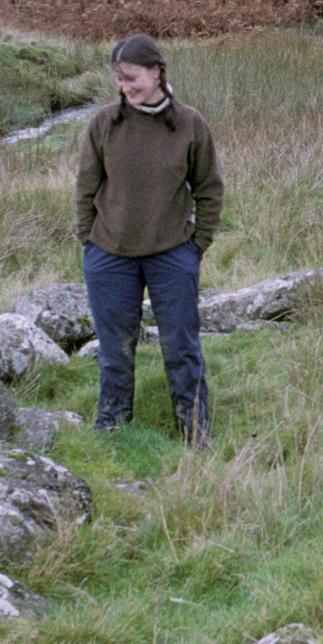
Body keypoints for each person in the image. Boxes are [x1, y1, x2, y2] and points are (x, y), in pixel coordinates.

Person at [74, 33, 224, 444]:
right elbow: (86, 187)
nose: (124, 87)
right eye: (119, 79)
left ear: (157, 72)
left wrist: (197, 246)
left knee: (182, 347)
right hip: (109, 256)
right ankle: (112, 426)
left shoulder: (190, 125)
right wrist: (89, 241)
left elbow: (209, 188)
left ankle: (194, 427)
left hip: (173, 255)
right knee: (114, 350)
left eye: (132, 78)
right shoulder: (104, 124)